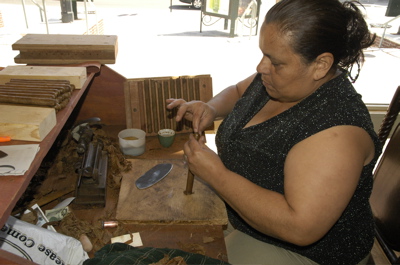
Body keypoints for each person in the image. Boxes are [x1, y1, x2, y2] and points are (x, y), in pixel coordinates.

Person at [166, 0, 382, 264]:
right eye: (263, 54)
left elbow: (300, 227)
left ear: (321, 65)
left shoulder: (337, 132)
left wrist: (217, 175)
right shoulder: (279, 80)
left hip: (309, 254)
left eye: (276, 62)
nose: (261, 67)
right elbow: (237, 91)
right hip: (246, 219)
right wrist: (211, 108)